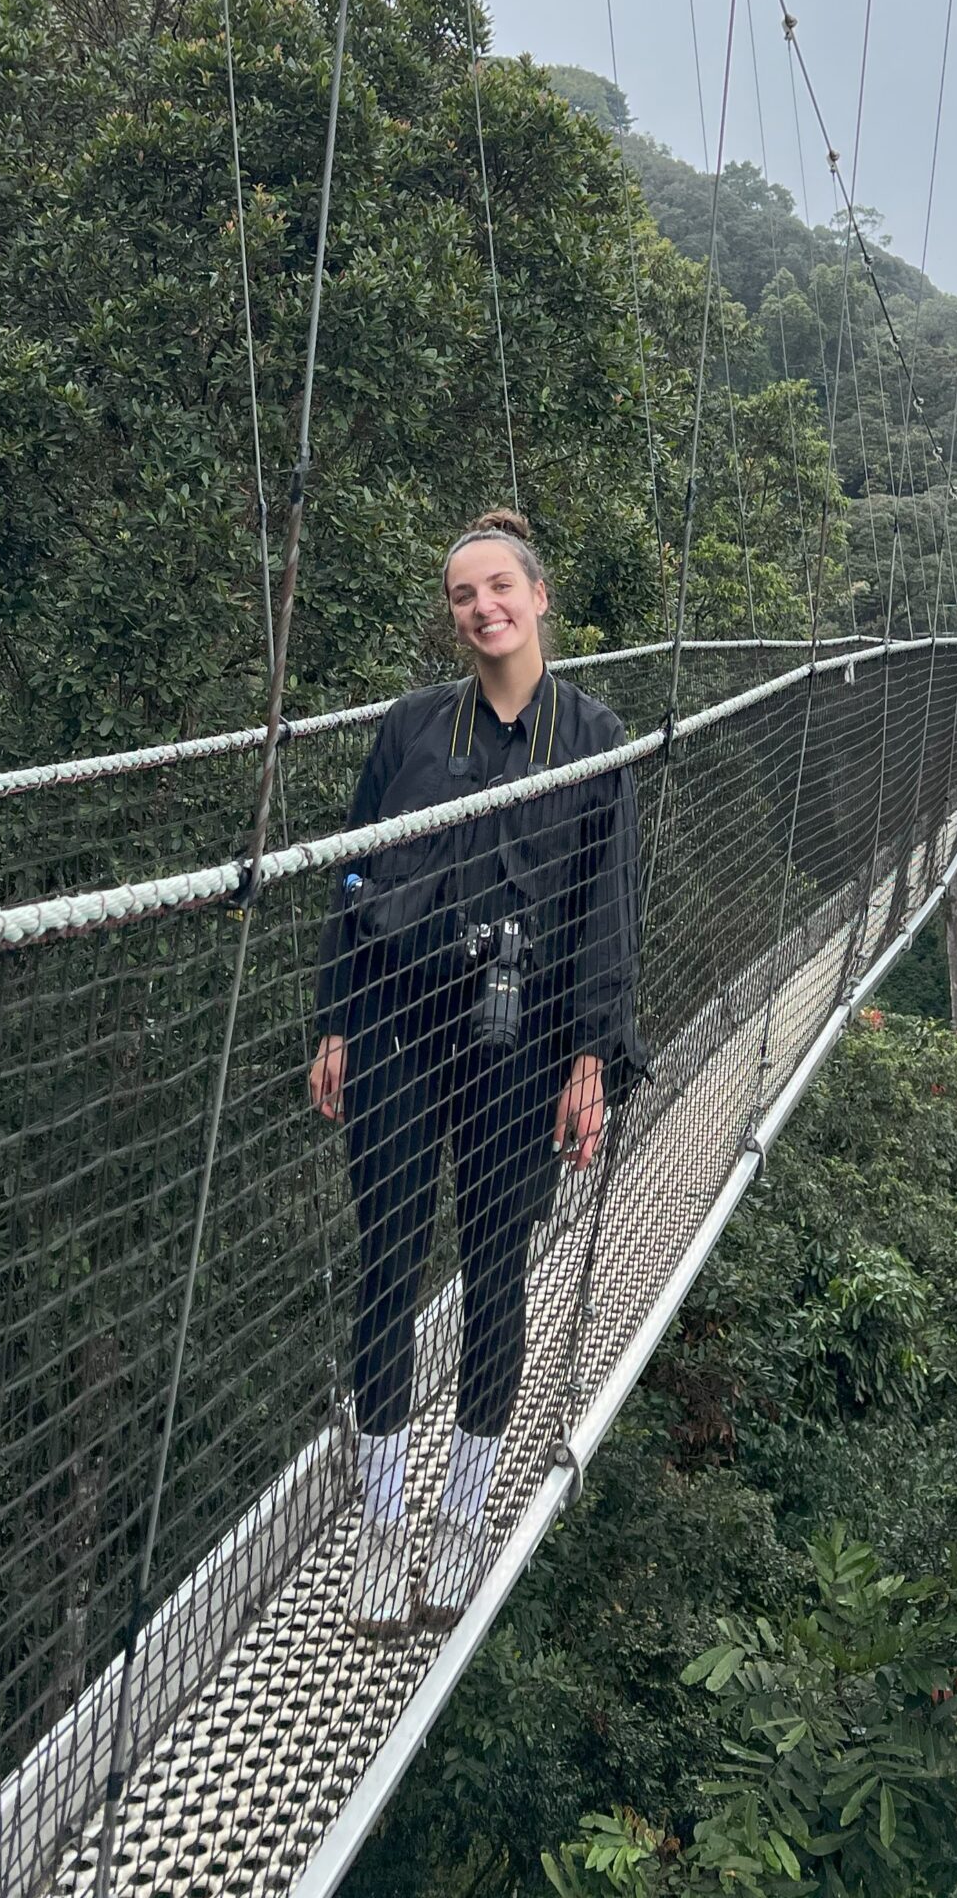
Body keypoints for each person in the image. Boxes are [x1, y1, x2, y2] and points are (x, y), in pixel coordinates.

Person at [310, 509, 640, 1638]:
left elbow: (609, 910)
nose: (481, 607)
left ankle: (459, 1518)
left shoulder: (595, 737)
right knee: (385, 1270)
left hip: (524, 1039)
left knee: (496, 1276)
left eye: (498, 586)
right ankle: (383, 1527)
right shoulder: (410, 729)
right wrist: (335, 1022)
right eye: (462, 595)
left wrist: (592, 1057)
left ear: (539, 597)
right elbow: (350, 877)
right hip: (400, 1019)